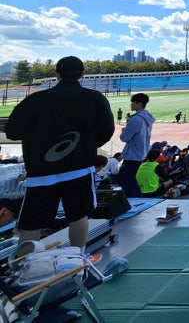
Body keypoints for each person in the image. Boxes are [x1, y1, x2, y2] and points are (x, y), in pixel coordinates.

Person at [5, 56, 115, 249]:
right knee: (78, 216)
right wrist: (85, 147)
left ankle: (25, 268)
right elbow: (106, 131)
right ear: (83, 74)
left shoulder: (35, 100)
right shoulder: (95, 98)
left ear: (56, 74)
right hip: (79, 169)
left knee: (31, 223)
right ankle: (76, 259)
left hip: (40, 173)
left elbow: (12, 131)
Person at [119, 92, 155, 197]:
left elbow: (124, 138)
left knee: (125, 179)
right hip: (141, 152)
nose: (131, 105)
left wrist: (124, 131)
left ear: (139, 103)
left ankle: (133, 200)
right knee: (130, 178)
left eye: (133, 102)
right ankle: (138, 198)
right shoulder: (147, 118)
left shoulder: (136, 119)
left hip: (132, 154)